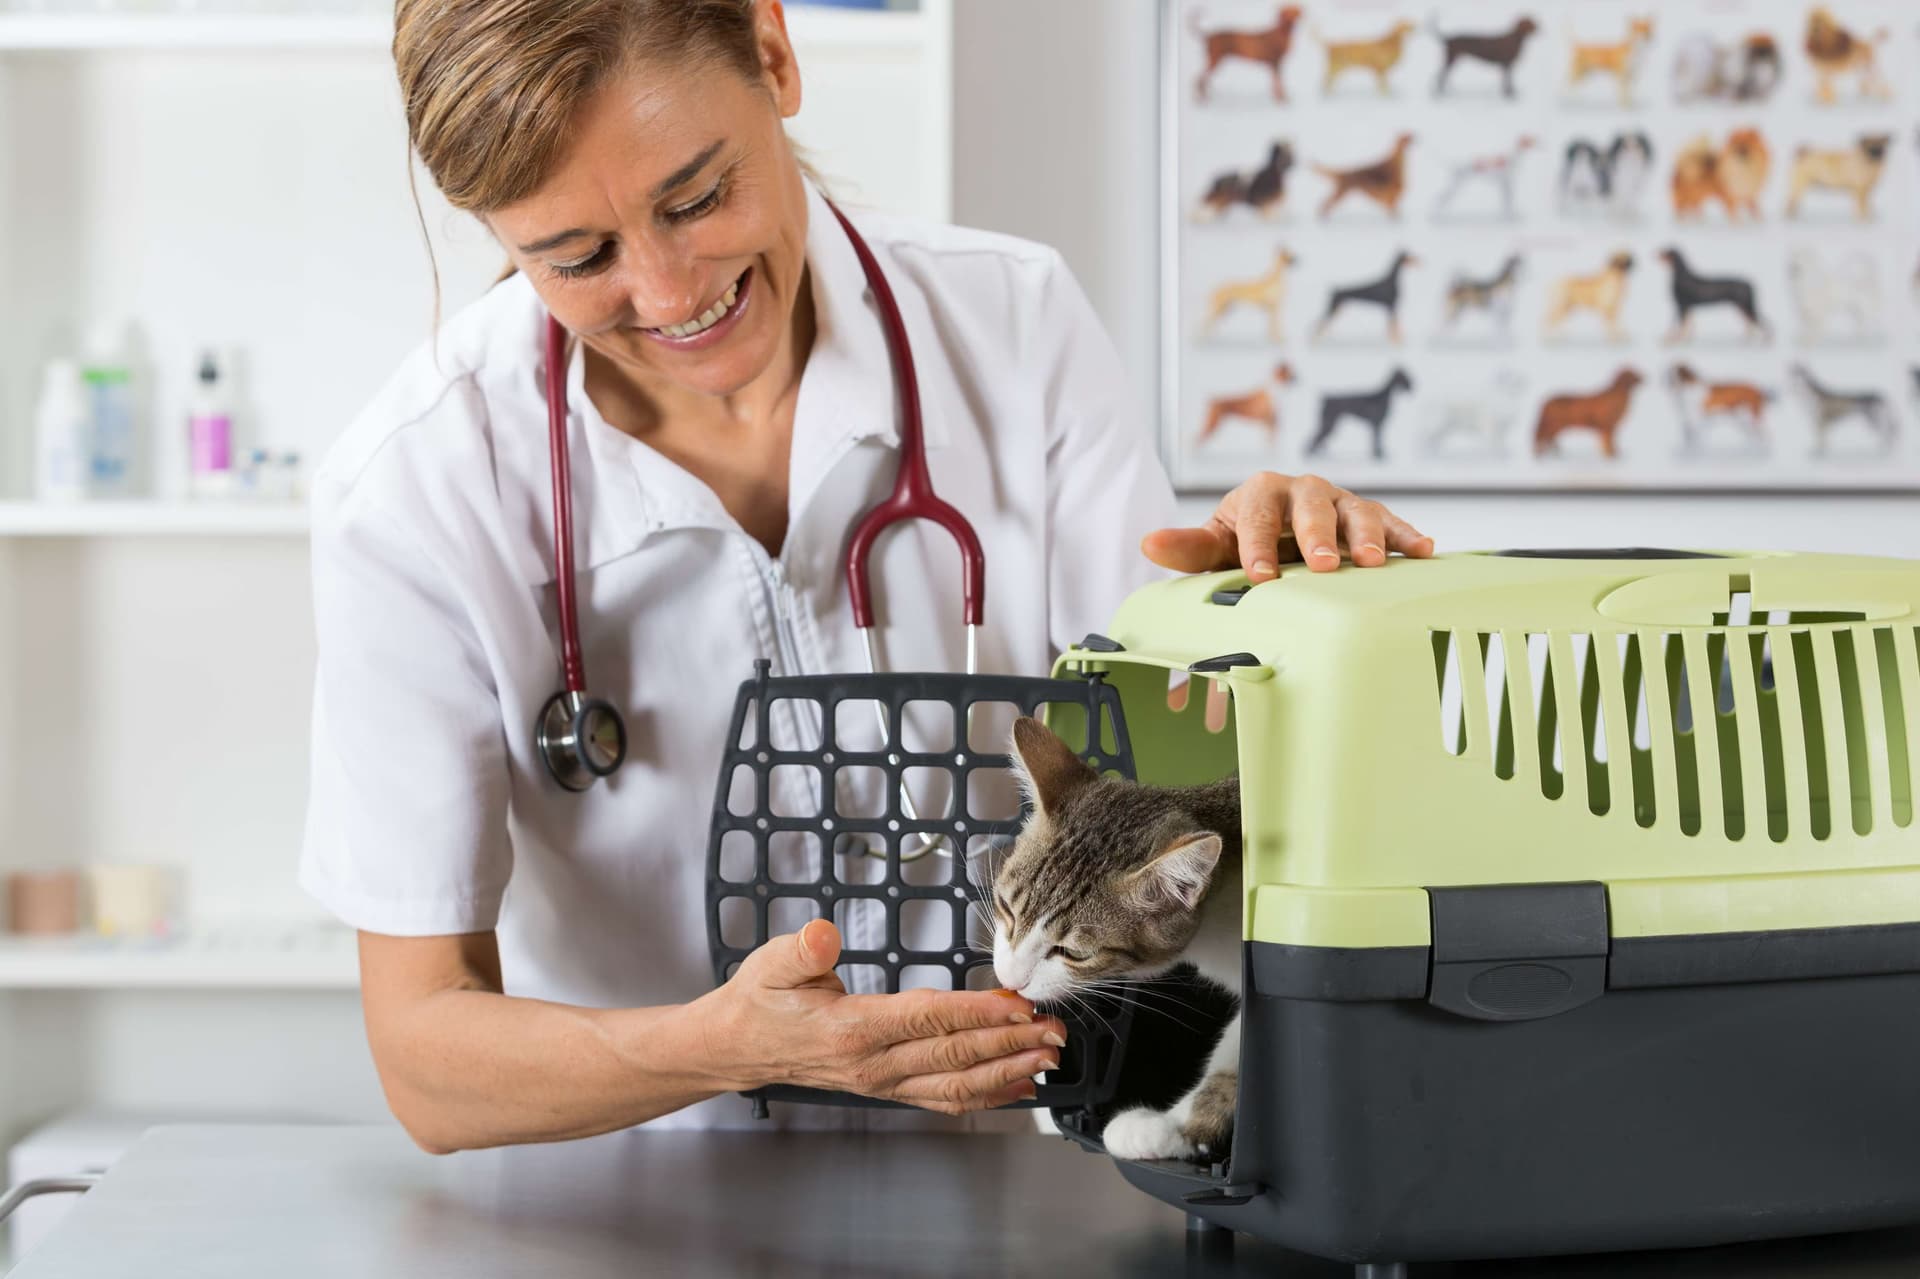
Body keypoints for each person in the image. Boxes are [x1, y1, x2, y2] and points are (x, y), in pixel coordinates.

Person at [301, 0, 1434, 1155]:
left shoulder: (1013, 327)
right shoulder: (416, 486)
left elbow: (1186, 767)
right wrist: (730, 1047)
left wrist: (1280, 592)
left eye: (695, 197)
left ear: (775, 54)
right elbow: (428, 1062)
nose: (665, 289)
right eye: (575, 258)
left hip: (1026, 1166)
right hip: (624, 1197)